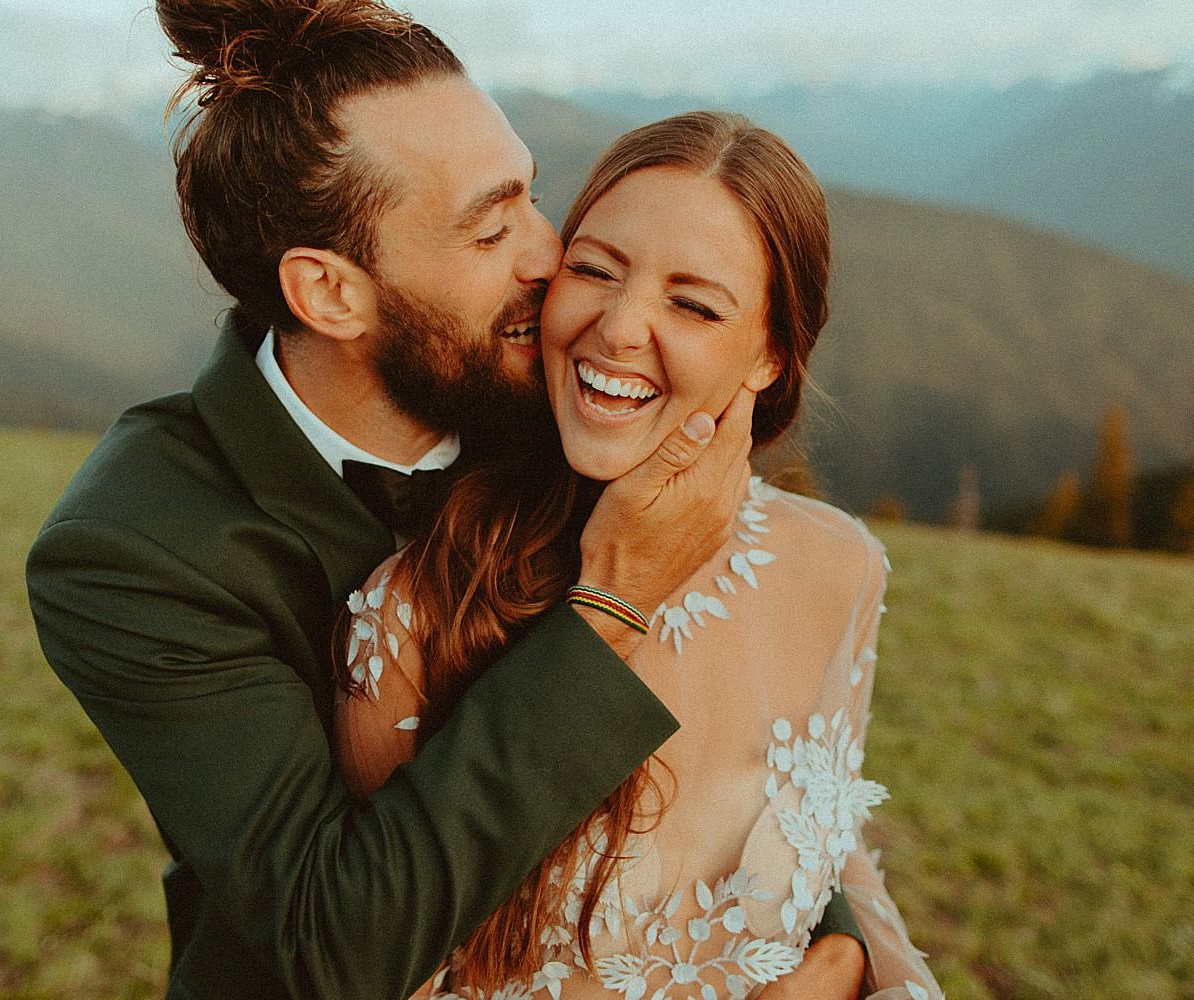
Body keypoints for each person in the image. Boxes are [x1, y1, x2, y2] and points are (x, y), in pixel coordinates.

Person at [26, 3, 864, 998]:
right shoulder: (134, 551)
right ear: (331, 293)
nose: (549, 256)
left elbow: (742, 710)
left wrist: (833, 945)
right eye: (490, 226)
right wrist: (609, 608)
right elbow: (332, 940)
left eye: (529, 197)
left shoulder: (567, 406)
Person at [335, 112, 944, 999]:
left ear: (771, 354)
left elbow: (828, 845)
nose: (620, 329)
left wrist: (851, 964)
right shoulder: (416, 613)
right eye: (593, 270)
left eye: (693, 304)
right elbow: (378, 968)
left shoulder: (838, 567)